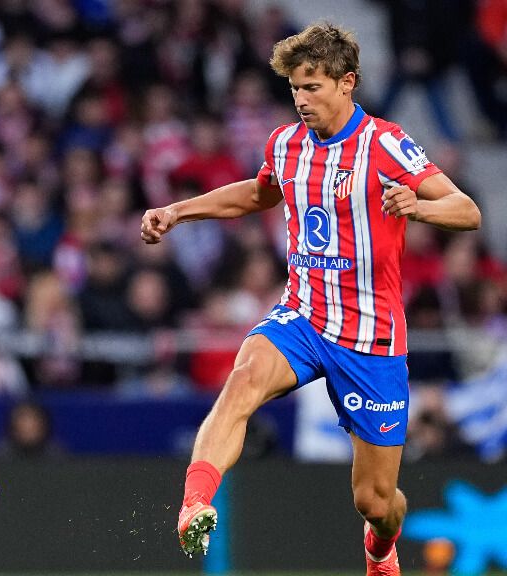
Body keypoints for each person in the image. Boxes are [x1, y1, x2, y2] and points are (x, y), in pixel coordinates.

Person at [140, 23, 481, 574]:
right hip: (302, 315)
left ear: (347, 83)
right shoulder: (286, 143)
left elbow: (467, 211)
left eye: (313, 87)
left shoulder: (387, 144)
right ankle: (196, 503)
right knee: (242, 382)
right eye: (295, 88)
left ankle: (382, 546)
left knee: (375, 501)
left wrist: (417, 207)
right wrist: (179, 211)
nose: (301, 100)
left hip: (371, 337)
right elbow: (258, 192)